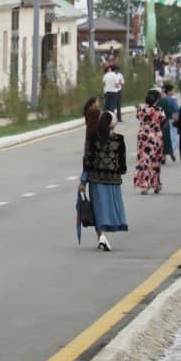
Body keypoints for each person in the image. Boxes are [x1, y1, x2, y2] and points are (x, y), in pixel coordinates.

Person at [80, 99, 128, 250]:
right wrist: (120, 171)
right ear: (112, 124)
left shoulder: (94, 139)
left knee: (98, 208)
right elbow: (122, 162)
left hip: (95, 178)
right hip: (112, 179)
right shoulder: (119, 140)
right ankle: (103, 237)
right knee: (109, 208)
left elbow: (88, 160)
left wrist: (83, 181)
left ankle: (101, 236)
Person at [133, 89, 166, 194]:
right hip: (156, 138)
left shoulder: (141, 109)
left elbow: (138, 117)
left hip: (143, 137)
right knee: (156, 161)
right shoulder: (159, 110)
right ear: (156, 100)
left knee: (144, 161)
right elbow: (163, 122)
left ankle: (144, 185)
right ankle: (156, 184)